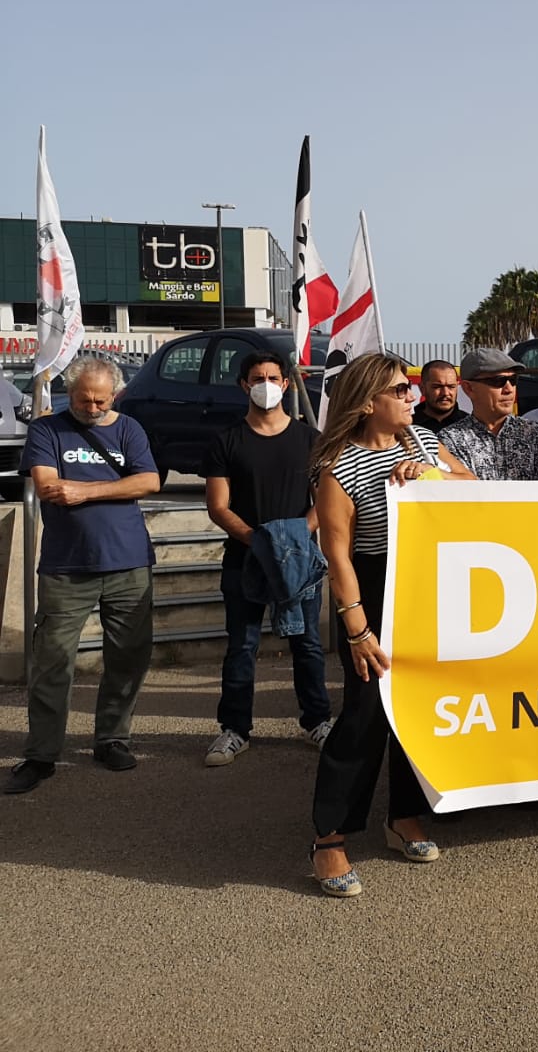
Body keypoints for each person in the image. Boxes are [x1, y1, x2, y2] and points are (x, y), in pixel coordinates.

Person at [307, 353, 474, 896]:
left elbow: (474, 488)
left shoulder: (422, 443)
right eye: (401, 390)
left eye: (409, 390)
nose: (412, 397)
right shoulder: (337, 469)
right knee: (363, 718)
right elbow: (339, 556)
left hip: (431, 592)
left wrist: (430, 474)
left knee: (419, 712)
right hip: (376, 593)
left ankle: (403, 818)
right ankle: (329, 840)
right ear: (367, 402)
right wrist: (358, 631)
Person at [6, 355, 161, 795]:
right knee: (53, 661)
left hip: (128, 560)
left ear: (115, 395)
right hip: (66, 565)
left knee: (128, 658)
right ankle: (41, 754)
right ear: (69, 393)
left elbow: (148, 481)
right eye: (82, 399)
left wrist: (85, 489)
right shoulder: (47, 429)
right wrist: (101, 488)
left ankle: (112, 737)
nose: (92, 408)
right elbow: (48, 483)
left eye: (100, 400)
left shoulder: (129, 429)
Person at [201, 349, 331, 768]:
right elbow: (218, 506)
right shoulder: (226, 440)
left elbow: (325, 500)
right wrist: (260, 542)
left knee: (308, 644)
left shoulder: (310, 439)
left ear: (287, 384)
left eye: (274, 377)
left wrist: (293, 539)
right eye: (258, 377)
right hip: (245, 561)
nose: (267, 384)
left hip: (300, 563)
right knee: (242, 645)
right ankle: (234, 730)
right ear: (244, 385)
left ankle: (317, 721)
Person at [440, 348, 538, 482]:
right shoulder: (451, 440)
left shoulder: (536, 434)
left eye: (513, 380)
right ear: (469, 388)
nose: (509, 389)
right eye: (498, 381)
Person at [412, 360, 469, 434]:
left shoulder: (471, 426)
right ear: (422, 388)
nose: (445, 393)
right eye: (437, 386)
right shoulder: (406, 427)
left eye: (451, 386)